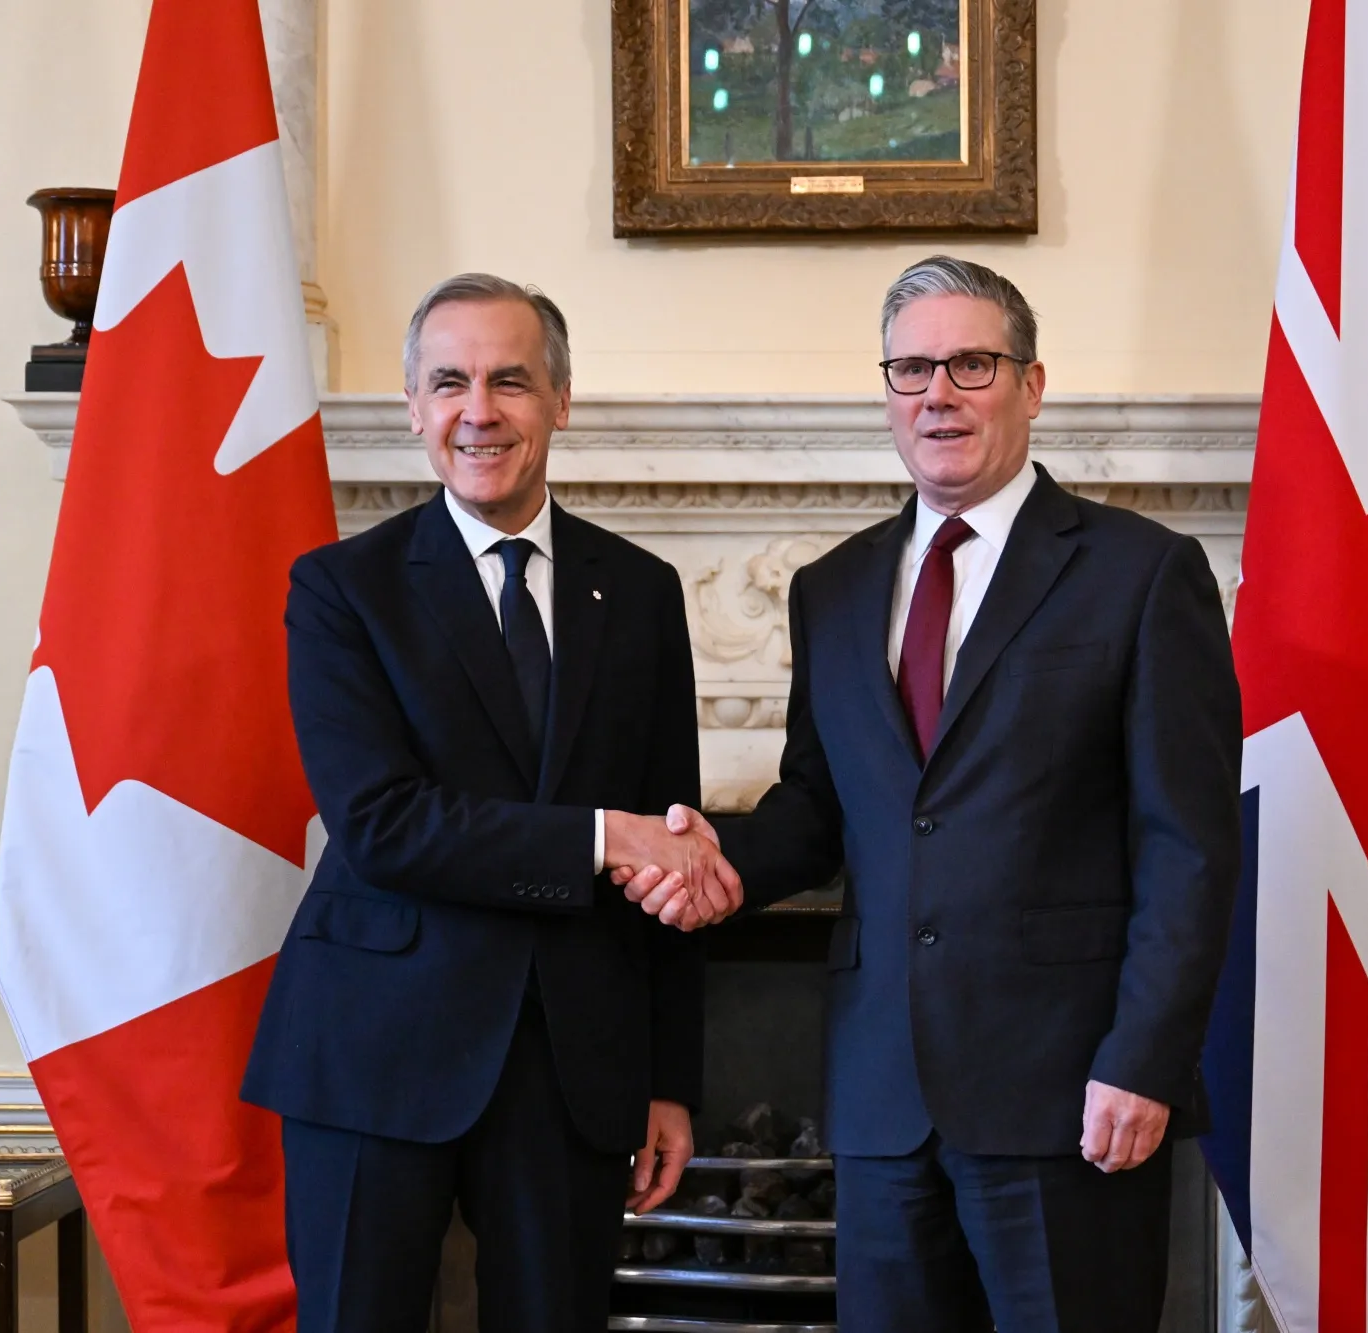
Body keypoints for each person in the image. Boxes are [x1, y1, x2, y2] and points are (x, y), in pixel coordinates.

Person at [617, 256, 1243, 1332]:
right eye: (911, 368)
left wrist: (1142, 1060)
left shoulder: (1140, 575)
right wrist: (706, 862)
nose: (937, 393)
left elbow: (1187, 844)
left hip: (1069, 1097)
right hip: (880, 1102)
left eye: (970, 363)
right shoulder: (835, 587)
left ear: (1031, 385)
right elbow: (817, 809)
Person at [241, 274, 742, 1333]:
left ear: (560, 400)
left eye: (510, 380)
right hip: (373, 1054)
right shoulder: (341, 590)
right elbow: (380, 823)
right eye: (450, 382)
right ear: (414, 407)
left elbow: (674, 846)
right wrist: (603, 838)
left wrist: (667, 1080)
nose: (481, 410)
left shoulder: (640, 590)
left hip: (571, 1063)